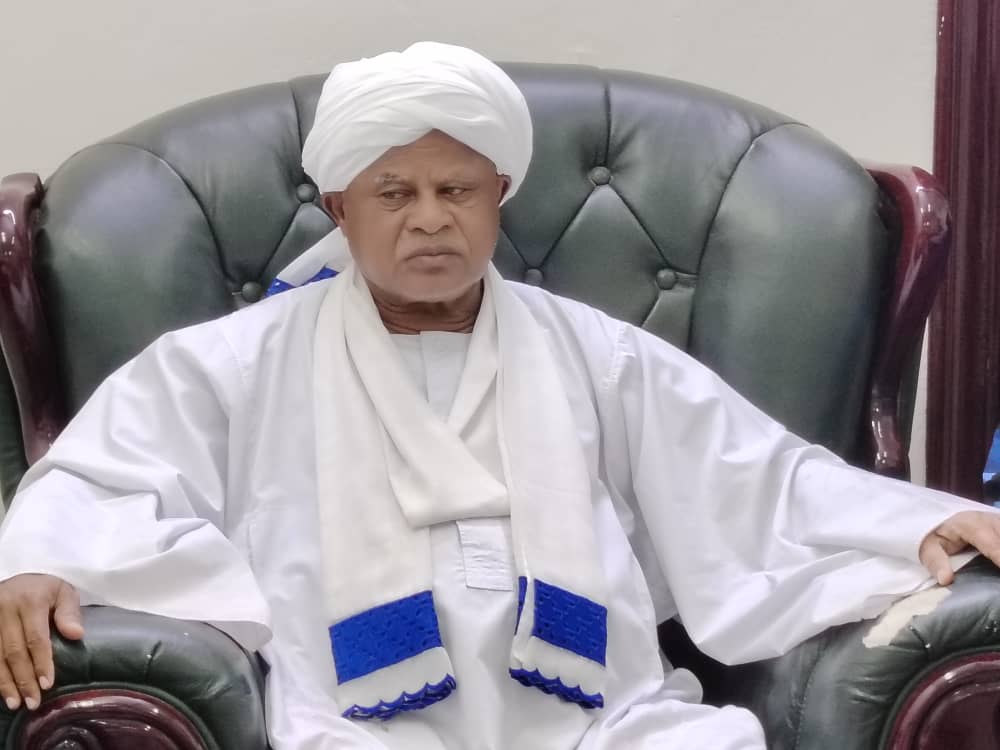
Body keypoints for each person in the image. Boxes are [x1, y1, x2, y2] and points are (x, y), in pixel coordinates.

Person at [0, 41, 997, 750]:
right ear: (342, 208)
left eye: (458, 191)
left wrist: (919, 521)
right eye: (395, 193)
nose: (430, 220)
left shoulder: (595, 351)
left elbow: (756, 479)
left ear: (499, 198)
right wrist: (43, 559)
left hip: (598, 720)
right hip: (352, 724)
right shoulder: (232, 361)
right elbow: (102, 474)